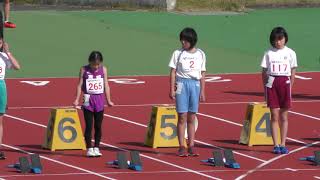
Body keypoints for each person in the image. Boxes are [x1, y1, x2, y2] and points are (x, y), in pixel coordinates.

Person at [169, 27, 206, 157]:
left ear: (192, 41)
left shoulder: (201, 54)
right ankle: (181, 146)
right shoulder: (177, 53)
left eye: (185, 41)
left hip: (194, 85)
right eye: (182, 40)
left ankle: (191, 145)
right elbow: (173, 72)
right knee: (182, 116)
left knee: (191, 116)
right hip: (181, 84)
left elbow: (202, 73)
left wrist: (202, 91)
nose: (183, 43)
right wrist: (171, 89)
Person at [261, 27, 297, 154]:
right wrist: (265, 89)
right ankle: (276, 144)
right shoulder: (268, 53)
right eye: (275, 40)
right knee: (274, 115)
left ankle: (283, 143)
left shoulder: (291, 53)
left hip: (285, 83)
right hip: (272, 83)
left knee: (284, 115)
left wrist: (290, 86)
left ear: (285, 38)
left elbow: (293, 72)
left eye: (280, 39)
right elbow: (264, 73)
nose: (278, 42)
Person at [73, 51, 114, 157]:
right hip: (87, 99)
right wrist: (77, 99)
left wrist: (109, 100)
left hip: (99, 100)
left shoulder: (103, 70)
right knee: (89, 125)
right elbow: (79, 85)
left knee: (98, 126)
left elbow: (106, 85)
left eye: (98, 64)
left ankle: (96, 147)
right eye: (94, 64)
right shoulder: (84, 70)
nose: (96, 67)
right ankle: (89, 148)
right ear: (90, 62)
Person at [0, 37, 21, 159]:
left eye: (0, 42)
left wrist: (8, 52)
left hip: (0, 86)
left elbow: (17, 67)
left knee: (0, 120)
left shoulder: (3, 56)